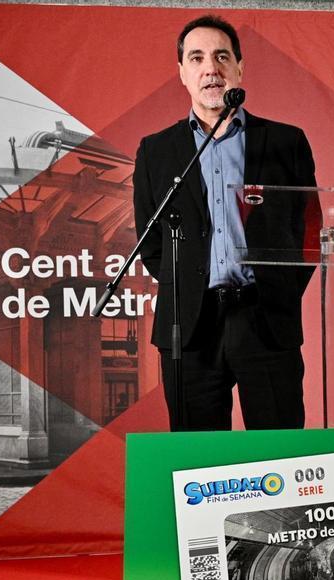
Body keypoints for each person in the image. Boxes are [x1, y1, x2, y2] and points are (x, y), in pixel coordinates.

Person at [133, 15, 316, 431]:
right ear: (182, 72)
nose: (210, 69)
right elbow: (152, 243)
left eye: (221, 57)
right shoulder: (156, 151)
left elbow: (307, 231)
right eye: (196, 58)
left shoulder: (286, 141)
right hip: (190, 328)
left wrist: (279, 291)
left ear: (239, 68)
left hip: (265, 320)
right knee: (200, 460)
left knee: (278, 454)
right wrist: (189, 286)